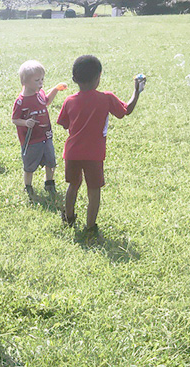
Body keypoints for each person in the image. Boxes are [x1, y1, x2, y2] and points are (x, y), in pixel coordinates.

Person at [56, 55, 144, 235]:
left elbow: (64, 123)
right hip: (94, 155)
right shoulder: (107, 98)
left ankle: (69, 218)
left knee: (73, 185)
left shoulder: (69, 101)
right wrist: (137, 91)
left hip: (72, 152)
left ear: (74, 79)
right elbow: (126, 111)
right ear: (98, 77)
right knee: (93, 190)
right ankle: (90, 227)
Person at [11, 60, 66, 201]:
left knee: (50, 160)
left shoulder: (40, 93)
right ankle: (28, 185)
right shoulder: (21, 101)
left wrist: (55, 89)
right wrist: (25, 122)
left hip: (46, 135)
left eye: (42, 79)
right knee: (29, 164)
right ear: (25, 82)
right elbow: (15, 119)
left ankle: (49, 182)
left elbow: (46, 101)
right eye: (37, 80)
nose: (41, 83)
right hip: (31, 140)